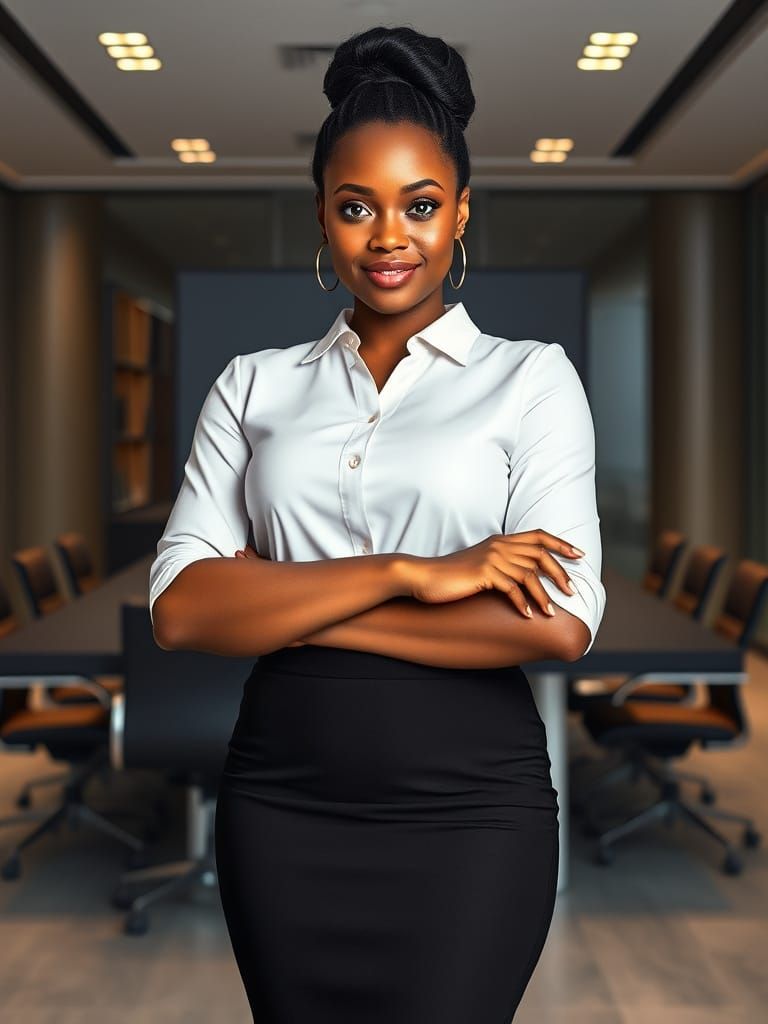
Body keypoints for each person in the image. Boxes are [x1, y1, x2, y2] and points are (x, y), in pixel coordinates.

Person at [148, 24, 606, 1023]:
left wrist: (286, 605)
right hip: (281, 801)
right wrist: (413, 570)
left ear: (462, 213)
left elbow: (556, 620)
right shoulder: (253, 385)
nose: (389, 236)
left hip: (472, 805)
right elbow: (181, 610)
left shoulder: (530, 380)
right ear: (321, 215)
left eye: (421, 205)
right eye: (356, 207)